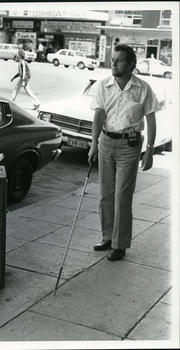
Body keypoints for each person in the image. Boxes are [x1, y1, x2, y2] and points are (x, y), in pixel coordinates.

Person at [88, 44, 161, 261]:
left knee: (122, 196)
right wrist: (93, 144)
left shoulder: (143, 88)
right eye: (113, 60)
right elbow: (98, 116)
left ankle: (120, 244)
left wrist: (150, 151)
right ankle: (108, 237)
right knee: (105, 196)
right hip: (105, 142)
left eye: (119, 60)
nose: (114, 64)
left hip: (129, 146)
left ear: (130, 64)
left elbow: (151, 118)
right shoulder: (103, 85)